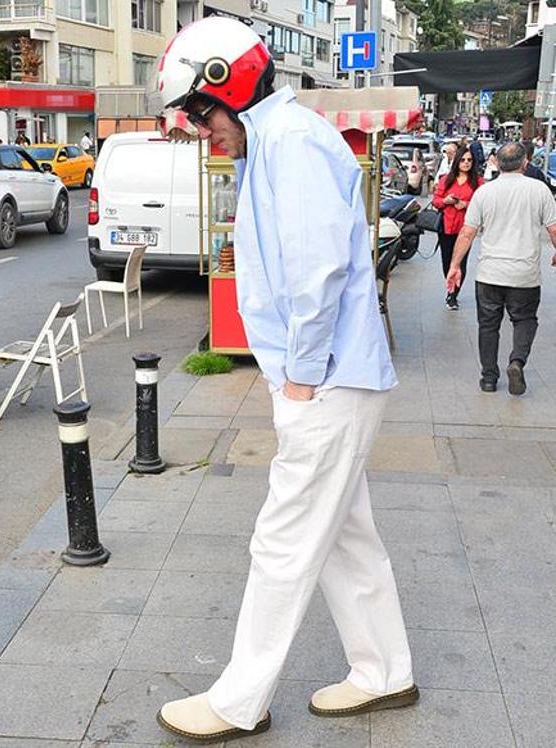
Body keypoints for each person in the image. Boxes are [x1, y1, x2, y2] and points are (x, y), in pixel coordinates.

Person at [151, 16, 417, 744]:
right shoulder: (274, 140)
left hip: (326, 381)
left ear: (226, 85)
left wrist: (298, 380)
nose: (199, 129)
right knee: (344, 537)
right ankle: (385, 672)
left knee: (284, 541)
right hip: (330, 377)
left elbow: (317, 270)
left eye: (198, 111)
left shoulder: (290, 142)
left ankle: (239, 702)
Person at [447, 142, 556, 395]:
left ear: (496, 163)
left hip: (489, 273)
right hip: (524, 274)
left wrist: (455, 265)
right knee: (525, 320)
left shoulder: (484, 192)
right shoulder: (539, 190)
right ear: (525, 163)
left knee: (488, 325)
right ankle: (517, 361)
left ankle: (488, 378)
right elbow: (553, 229)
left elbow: (467, 233)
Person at [431, 145, 483, 310]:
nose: (466, 163)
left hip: (466, 229)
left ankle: (453, 295)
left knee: (461, 262)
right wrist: (445, 201)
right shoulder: (446, 180)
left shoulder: (478, 182)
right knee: (447, 262)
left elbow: (482, 204)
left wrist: (465, 204)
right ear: (457, 162)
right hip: (447, 227)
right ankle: (450, 285)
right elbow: (435, 201)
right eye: (463, 160)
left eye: (469, 160)